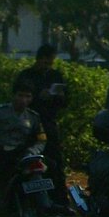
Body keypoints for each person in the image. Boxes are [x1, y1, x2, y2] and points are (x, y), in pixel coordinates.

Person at [0, 77, 46, 198]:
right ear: (13, 95)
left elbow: (41, 140)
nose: (23, 100)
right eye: (20, 95)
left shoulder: (33, 117)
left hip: (21, 156)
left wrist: (32, 152)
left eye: (28, 96)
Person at [20, 44, 69, 203]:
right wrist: (38, 96)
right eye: (46, 63)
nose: (48, 67)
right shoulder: (26, 76)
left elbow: (65, 102)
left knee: (55, 162)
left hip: (49, 123)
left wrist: (58, 96)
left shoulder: (55, 76)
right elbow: (19, 99)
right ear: (39, 59)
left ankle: (59, 199)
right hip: (30, 124)